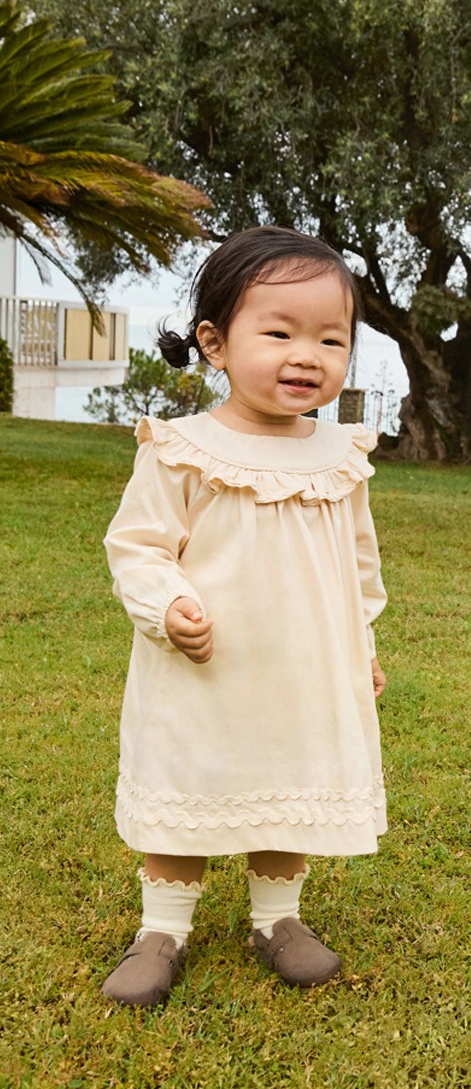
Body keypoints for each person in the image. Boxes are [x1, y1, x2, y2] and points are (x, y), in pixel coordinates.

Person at [101, 226, 387, 1007]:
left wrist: (359, 643)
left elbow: (357, 567)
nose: (307, 356)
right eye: (280, 333)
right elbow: (138, 547)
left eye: (331, 339)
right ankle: (162, 929)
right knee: (187, 781)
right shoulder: (181, 449)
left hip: (303, 668)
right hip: (205, 666)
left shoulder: (341, 457)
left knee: (288, 780)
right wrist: (169, 607)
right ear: (215, 343)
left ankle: (277, 919)